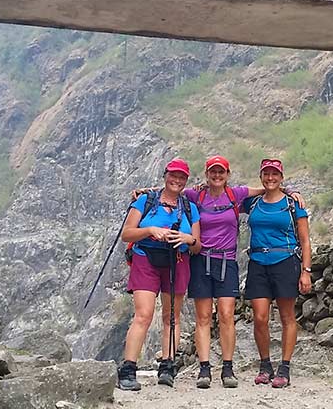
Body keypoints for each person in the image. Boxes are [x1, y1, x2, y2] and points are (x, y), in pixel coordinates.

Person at [146, 156, 305, 389]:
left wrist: (290, 190)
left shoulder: (236, 194)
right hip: (200, 260)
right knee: (203, 318)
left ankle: (228, 369)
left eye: (221, 172)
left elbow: (267, 187)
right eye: (213, 172)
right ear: (207, 174)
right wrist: (145, 192)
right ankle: (204, 368)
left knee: (227, 315)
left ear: (227, 174)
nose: (217, 176)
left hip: (227, 261)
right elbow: (171, 191)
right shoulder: (195, 195)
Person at [115, 159, 201, 392]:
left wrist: (187, 239)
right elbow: (127, 234)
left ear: (186, 181)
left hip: (177, 261)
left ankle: (167, 366)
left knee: (172, 316)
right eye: (173, 175)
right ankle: (128, 369)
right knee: (143, 314)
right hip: (146, 259)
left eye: (182, 177)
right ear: (165, 175)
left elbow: (197, 245)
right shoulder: (146, 200)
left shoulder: (190, 207)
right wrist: (151, 231)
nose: (177, 180)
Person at [242, 158, 312, 389]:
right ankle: (265, 365)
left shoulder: (293, 204)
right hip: (258, 262)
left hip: (285, 261)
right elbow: (224, 197)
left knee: (287, 316)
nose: (270, 178)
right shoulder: (252, 202)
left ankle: (284, 367)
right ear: (261, 177)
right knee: (260, 317)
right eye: (266, 174)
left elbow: (305, 240)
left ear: (281, 177)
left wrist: (306, 271)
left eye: (275, 174)